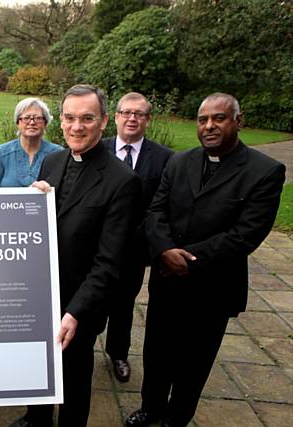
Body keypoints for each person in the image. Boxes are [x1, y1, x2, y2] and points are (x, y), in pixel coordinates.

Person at [125, 93, 285, 427]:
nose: (209, 126)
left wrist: (190, 261)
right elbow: (156, 211)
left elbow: (246, 234)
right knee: (156, 353)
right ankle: (150, 408)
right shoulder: (179, 161)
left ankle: (176, 417)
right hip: (166, 280)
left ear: (238, 122)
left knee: (194, 362)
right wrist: (164, 250)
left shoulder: (264, 171)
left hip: (212, 287)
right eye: (202, 119)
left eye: (219, 118)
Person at [12, 85, 142, 427]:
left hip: (79, 305)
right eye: (69, 118)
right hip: (39, 296)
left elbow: (109, 261)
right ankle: (35, 419)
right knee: (36, 368)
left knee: (73, 379)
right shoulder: (52, 161)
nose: (77, 126)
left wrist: (75, 313)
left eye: (87, 118)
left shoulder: (122, 181)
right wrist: (31, 201)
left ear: (102, 123)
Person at [101, 92, 173, 382]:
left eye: (139, 114)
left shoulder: (164, 158)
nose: (132, 118)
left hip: (133, 249)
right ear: (116, 117)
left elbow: (162, 205)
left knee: (123, 305)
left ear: (147, 120)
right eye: (127, 112)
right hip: (95, 246)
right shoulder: (98, 149)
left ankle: (118, 353)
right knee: (91, 302)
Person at [0, 97, 62, 187]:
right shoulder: (2, 152)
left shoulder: (58, 154)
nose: (32, 122)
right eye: (26, 118)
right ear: (18, 123)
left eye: (38, 118)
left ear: (45, 123)